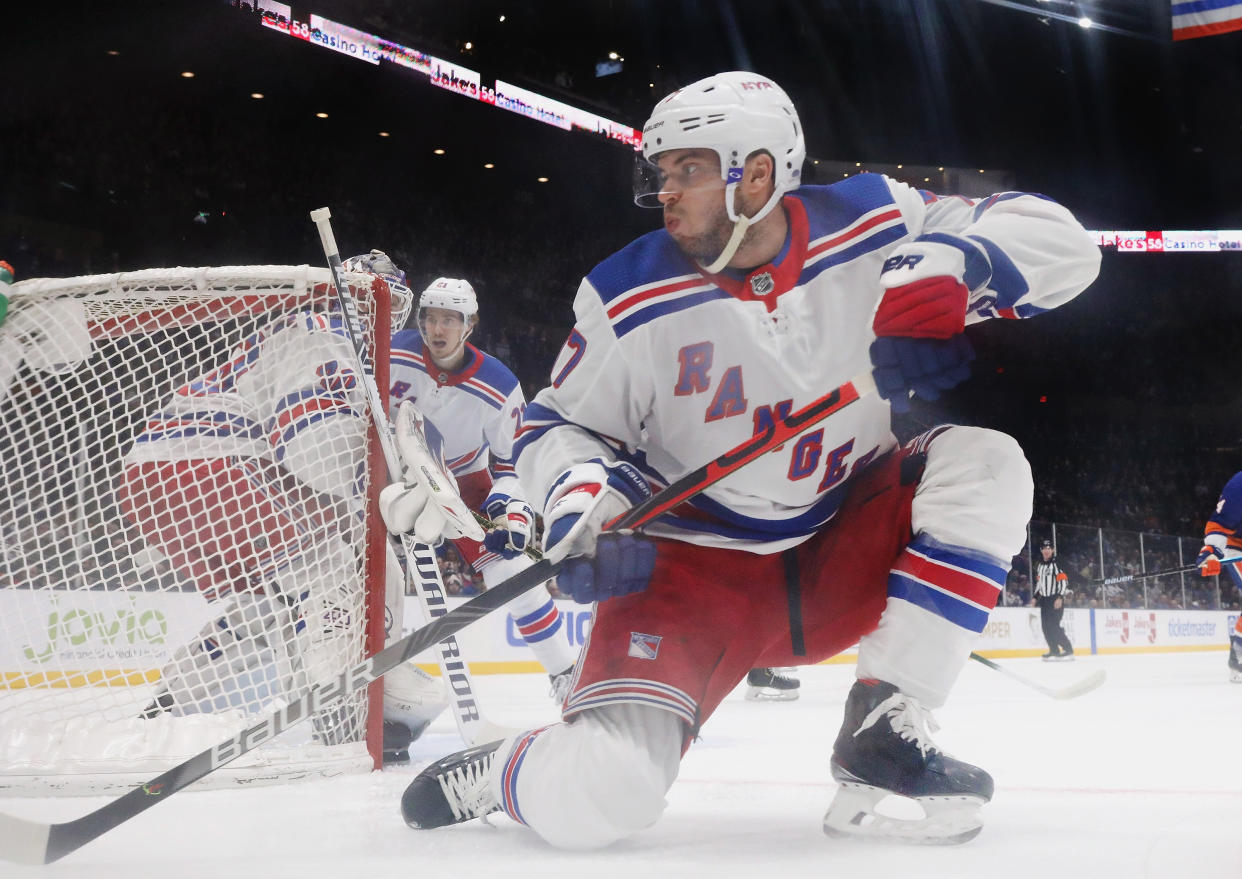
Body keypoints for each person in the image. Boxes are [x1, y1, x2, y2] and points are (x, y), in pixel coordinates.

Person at [394, 71, 1100, 846]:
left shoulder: (876, 217)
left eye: (687, 169)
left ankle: (883, 723)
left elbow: (1068, 243)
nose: (666, 190)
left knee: (990, 463)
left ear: (757, 173)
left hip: (839, 543)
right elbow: (556, 426)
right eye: (661, 172)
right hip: (692, 573)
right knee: (603, 796)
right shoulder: (626, 294)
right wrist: (579, 502)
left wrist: (958, 263)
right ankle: (505, 769)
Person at [117, 259, 450, 761]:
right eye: (389, 305)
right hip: (208, 465)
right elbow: (311, 446)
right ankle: (343, 705)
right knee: (345, 566)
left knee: (275, 600)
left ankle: (171, 699)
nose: (390, 318)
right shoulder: (324, 332)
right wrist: (378, 497)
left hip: (162, 476)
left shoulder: (307, 328)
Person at [377, 273, 580, 697]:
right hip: (385, 470)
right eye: (431, 318)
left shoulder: (501, 385)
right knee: (357, 564)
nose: (437, 329)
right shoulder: (393, 351)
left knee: (512, 569)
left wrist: (512, 513)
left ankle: (565, 674)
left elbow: (513, 461)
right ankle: (373, 677)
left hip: (461, 482)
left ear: (470, 325)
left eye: (450, 320)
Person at [1194, 471, 1242, 682]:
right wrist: (1211, 551)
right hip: (1237, 547)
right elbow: (1220, 523)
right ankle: (1239, 653)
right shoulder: (1239, 484)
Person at [1032, 539, 1073, 660]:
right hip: (1044, 600)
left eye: (1049, 548)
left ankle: (1068, 650)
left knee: (1054, 626)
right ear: (1041, 550)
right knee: (1045, 627)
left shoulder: (1056, 564)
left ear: (1052, 550)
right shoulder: (1040, 566)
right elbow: (1039, 584)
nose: (1046, 551)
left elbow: (1064, 582)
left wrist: (1060, 597)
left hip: (1055, 599)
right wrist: (1035, 597)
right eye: (1044, 548)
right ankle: (1054, 651)